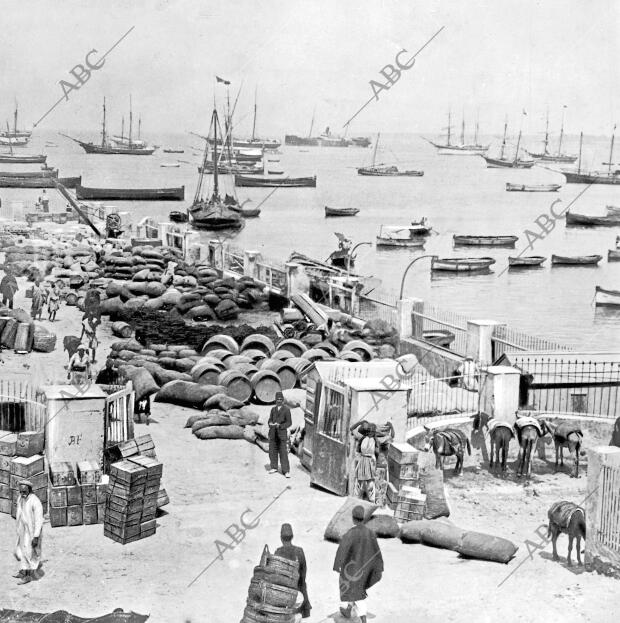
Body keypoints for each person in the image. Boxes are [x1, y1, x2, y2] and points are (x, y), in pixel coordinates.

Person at [333, 506, 384, 623]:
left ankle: (363, 619)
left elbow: (342, 549)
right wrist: (377, 566)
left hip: (351, 570)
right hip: (365, 568)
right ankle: (348, 608)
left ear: (353, 519)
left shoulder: (350, 534)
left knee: (355, 591)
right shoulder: (370, 533)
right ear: (363, 518)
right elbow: (376, 551)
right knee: (355, 589)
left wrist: (337, 565)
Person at [274, 523, 311, 618]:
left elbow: (275, 575)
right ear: (292, 536)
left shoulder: (278, 552)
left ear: (281, 538)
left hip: (284, 594)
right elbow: (303, 573)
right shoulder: (299, 551)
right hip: (298, 592)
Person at [14, 480, 44, 585]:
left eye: (24, 492)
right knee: (21, 550)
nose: (22, 494)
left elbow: (39, 520)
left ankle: (28, 576)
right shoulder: (21, 498)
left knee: (29, 552)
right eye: (21, 491)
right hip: (23, 529)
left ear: (29, 490)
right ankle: (23, 571)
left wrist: (36, 536)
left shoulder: (35, 502)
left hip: (31, 532)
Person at [268, 391, 292, 478]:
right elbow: (269, 419)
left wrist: (280, 426)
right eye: (277, 399)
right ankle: (274, 467)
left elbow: (289, 423)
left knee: (283, 452)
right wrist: (270, 423)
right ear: (275, 400)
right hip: (273, 433)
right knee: (272, 451)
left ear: (283, 400)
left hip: (282, 434)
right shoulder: (273, 409)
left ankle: (286, 471)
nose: (279, 401)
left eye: (280, 399)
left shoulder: (286, 410)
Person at [354, 436, 377, 502]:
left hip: (362, 462)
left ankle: (358, 500)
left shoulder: (363, 439)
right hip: (369, 462)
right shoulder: (373, 440)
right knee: (370, 485)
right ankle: (370, 500)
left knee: (359, 484)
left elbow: (357, 454)